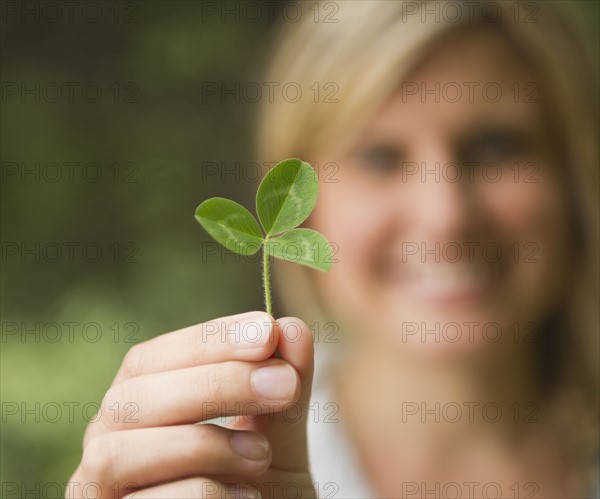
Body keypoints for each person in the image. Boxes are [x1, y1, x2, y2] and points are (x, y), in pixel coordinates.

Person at [67, 1, 599, 498]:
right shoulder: (220, 457)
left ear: (573, 174)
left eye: (495, 147)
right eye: (379, 156)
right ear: (303, 198)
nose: (445, 215)